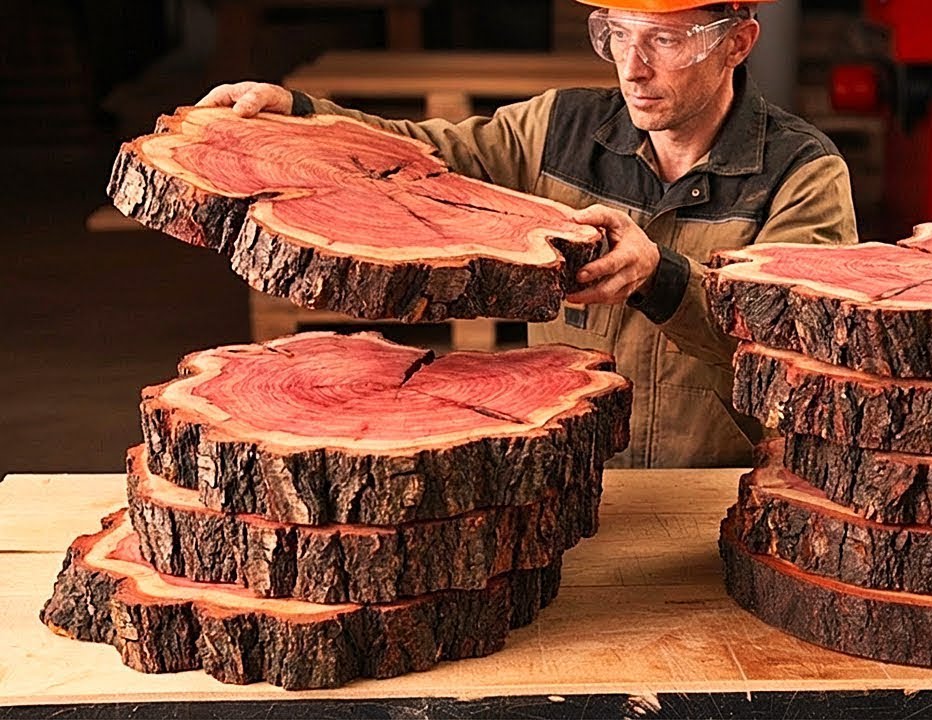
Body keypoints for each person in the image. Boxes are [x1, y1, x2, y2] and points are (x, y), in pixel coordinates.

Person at [196, 0, 858, 469]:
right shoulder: (558, 129)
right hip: (570, 474)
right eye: (618, 35)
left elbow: (801, 349)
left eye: (665, 41)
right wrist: (306, 115)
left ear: (736, 43)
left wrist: (664, 281)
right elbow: (421, 153)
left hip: (718, 490)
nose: (633, 68)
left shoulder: (802, 172)